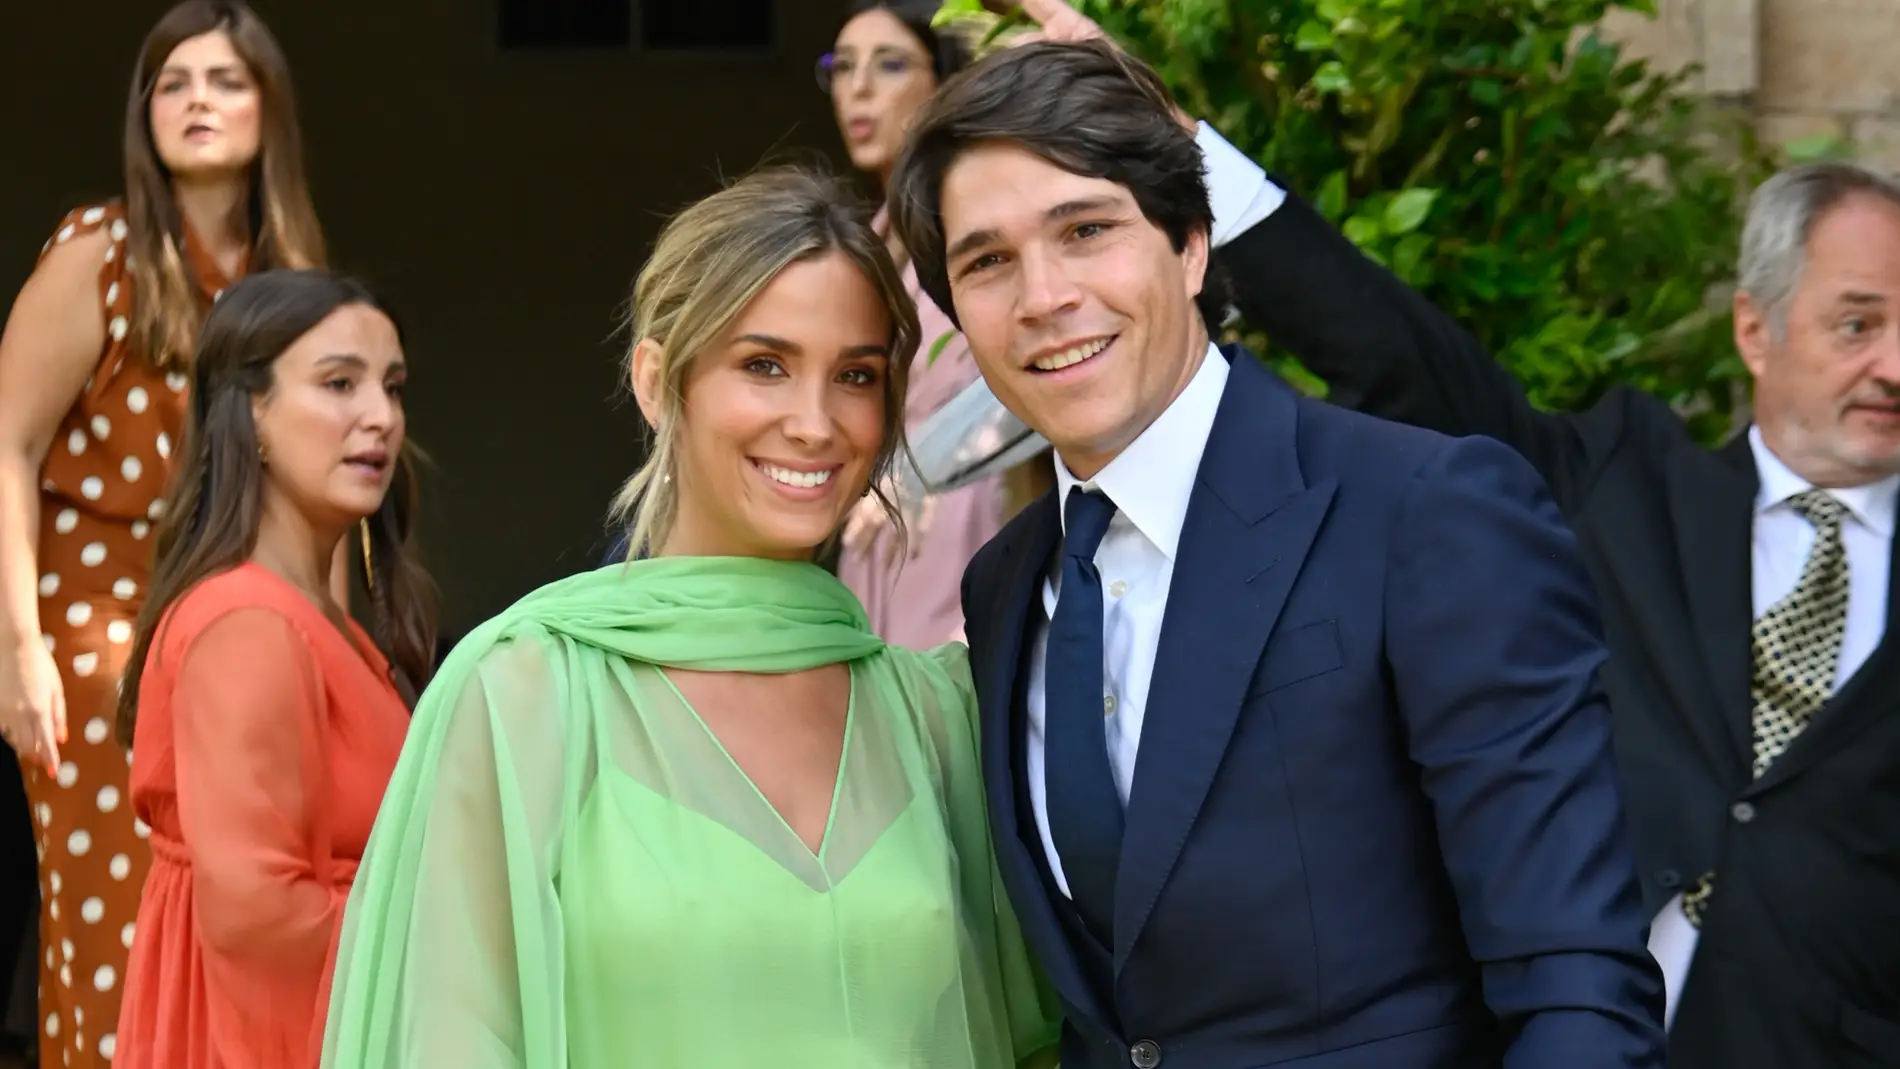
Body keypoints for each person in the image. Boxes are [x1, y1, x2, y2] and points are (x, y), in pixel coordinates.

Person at [888, 27, 1668, 1069]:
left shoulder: (1426, 511)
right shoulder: (1006, 584)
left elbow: (1576, 992)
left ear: (1192, 245)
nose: (1042, 296)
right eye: (987, 262)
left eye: (1085, 230)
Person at [320, 166, 1060, 1069]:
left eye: (855, 375)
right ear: (656, 379)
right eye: (764, 365)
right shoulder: (530, 688)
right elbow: (450, 1039)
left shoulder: (932, 714)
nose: (816, 421)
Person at [1214, 112, 1900, 1068]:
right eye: (1859, 323)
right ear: (1756, 328)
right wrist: (1181, 149)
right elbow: (1401, 360)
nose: (1894, 367)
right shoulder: (1623, 481)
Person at [0, 3, 326, 1063]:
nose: (196, 102)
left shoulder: (291, 269)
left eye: (224, 81)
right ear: (145, 114)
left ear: (266, 107)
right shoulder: (102, 251)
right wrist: (21, 653)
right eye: (172, 83)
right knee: (116, 921)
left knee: (239, 913)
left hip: (241, 624)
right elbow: (8, 442)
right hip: (100, 626)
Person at [110, 269, 434, 1069]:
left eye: (391, 387)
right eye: (339, 383)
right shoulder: (247, 624)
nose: (380, 417)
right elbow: (263, 919)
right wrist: (459, 942)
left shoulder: (320, 622)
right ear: (249, 411)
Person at [819, 0, 1035, 646]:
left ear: (943, 79)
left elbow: (1032, 373)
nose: (857, 89)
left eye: (888, 64)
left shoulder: (980, 228)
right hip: (878, 537)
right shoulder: (870, 246)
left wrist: (920, 468)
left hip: (973, 521)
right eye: (841, 66)